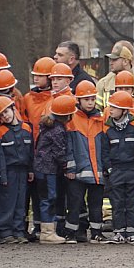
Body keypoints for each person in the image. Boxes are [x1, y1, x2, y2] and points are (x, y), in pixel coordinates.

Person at [64, 81, 110, 243]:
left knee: (96, 203)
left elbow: (105, 146)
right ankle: (71, 232)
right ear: (78, 100)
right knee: (75, 203)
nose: (90, 102)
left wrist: (106, 167)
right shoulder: (72, 119)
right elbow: (68, 147)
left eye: (92, 99)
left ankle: (96, 232)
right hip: (77, 171)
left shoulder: (101, 118)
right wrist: (70, 167)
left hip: (97, 171)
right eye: (86, 99)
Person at [102, 91, 134, 244]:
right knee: (117, 202)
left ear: (125, 110)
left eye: (114, 107)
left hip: (133, 170)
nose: (110, 110)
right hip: (116, 170)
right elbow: (104, 152)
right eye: (110, 107)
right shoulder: (108, 130)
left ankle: (132, 232)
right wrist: (109, 169)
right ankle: (118, 231)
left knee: (133, 202)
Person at [33, 95, 75, 244]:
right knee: (49, 198)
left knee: (45, 198)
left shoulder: (48, 126)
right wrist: (67, 166)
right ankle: (47, 233)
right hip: (48, 169)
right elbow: (59, 153)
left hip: (41, 168)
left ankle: (47, 230)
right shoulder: (58, 130)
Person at [0, 96, 34, 244]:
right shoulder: (1, 132)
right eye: (1, 115)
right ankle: (5, 232)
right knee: (7, 202)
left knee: (21, 202)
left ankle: (19, 231)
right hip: (9, 171)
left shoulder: (26, 128)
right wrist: (3, 176)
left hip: (23, 171)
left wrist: (31, 170)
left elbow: (31, 152)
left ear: (14, 109)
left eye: (6, 111)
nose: (5, 116)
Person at [96, 41, 134, 111]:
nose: (111, 62)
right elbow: (97, 111)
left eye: (114, 59)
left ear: (126, 61)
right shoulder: (103, 83)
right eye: (110, 59)